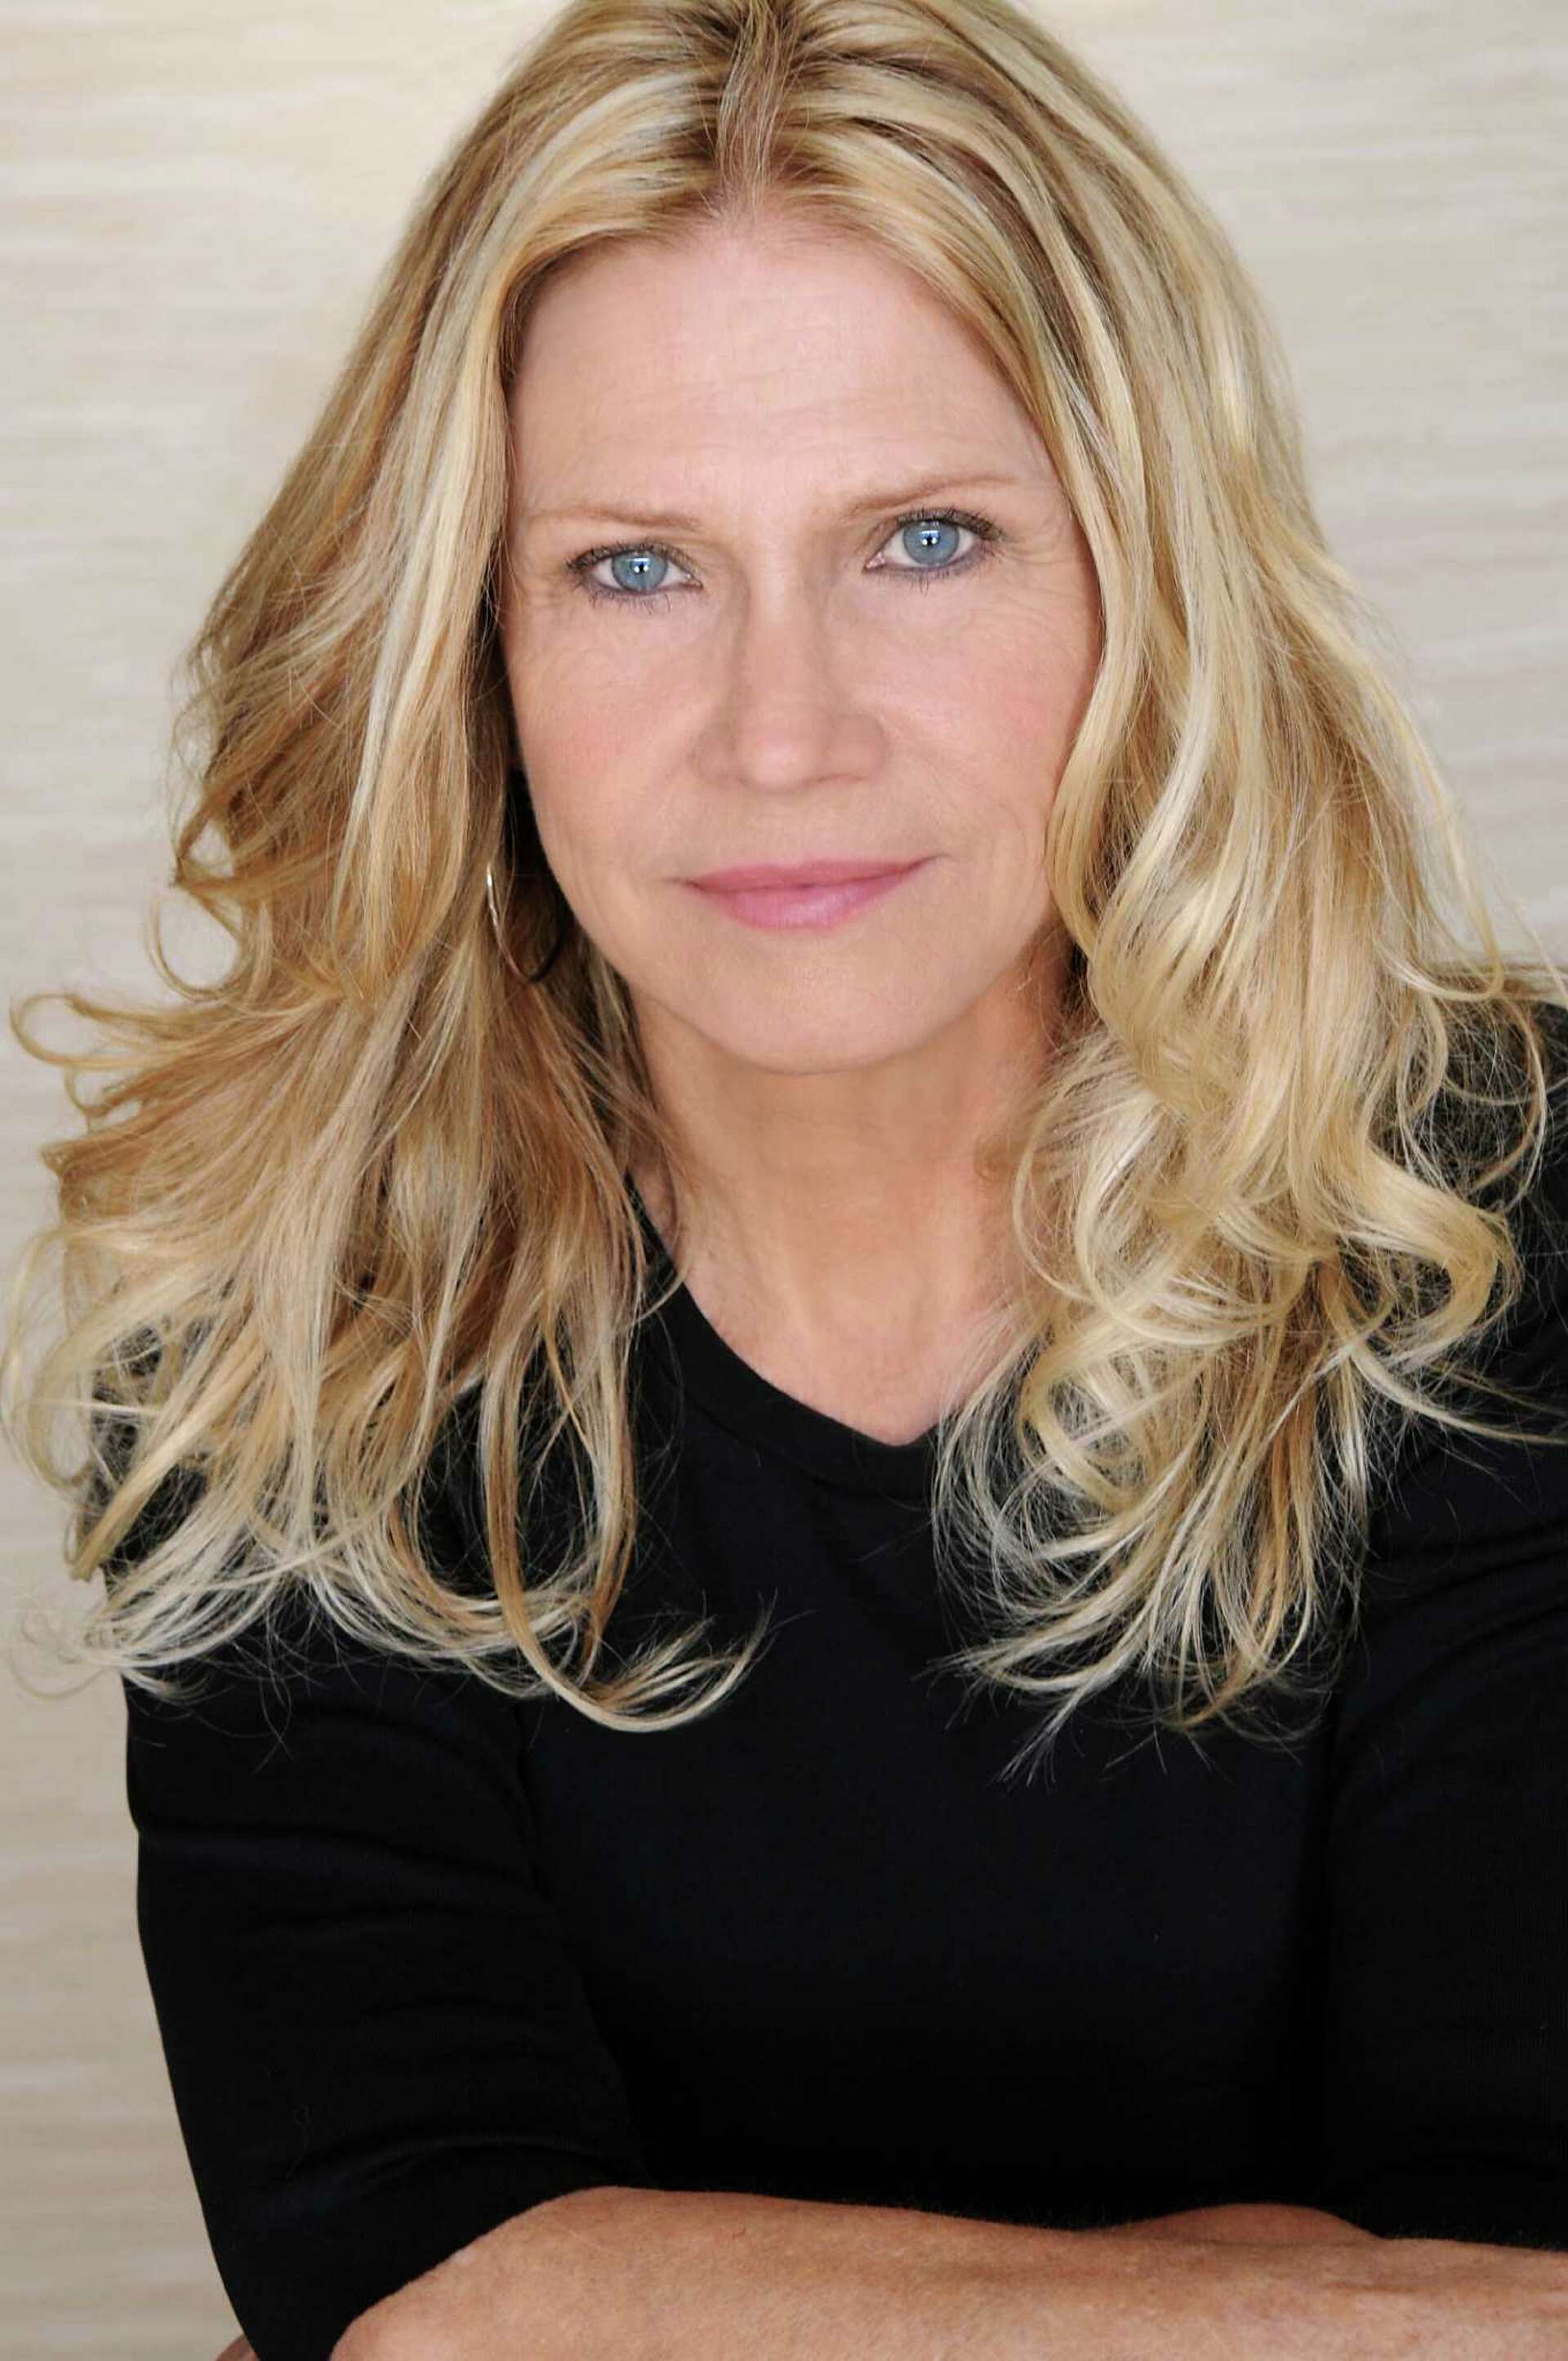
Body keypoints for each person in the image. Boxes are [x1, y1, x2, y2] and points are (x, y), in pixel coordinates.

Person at [5, 0, 1567, 2354]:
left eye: (927, 541)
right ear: (472, 642)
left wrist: (626, 2297)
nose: (781, 733)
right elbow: (413, 2273)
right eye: (636, 567)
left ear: (1150, 589)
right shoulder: (288, 1316)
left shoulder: (1500, 1219)